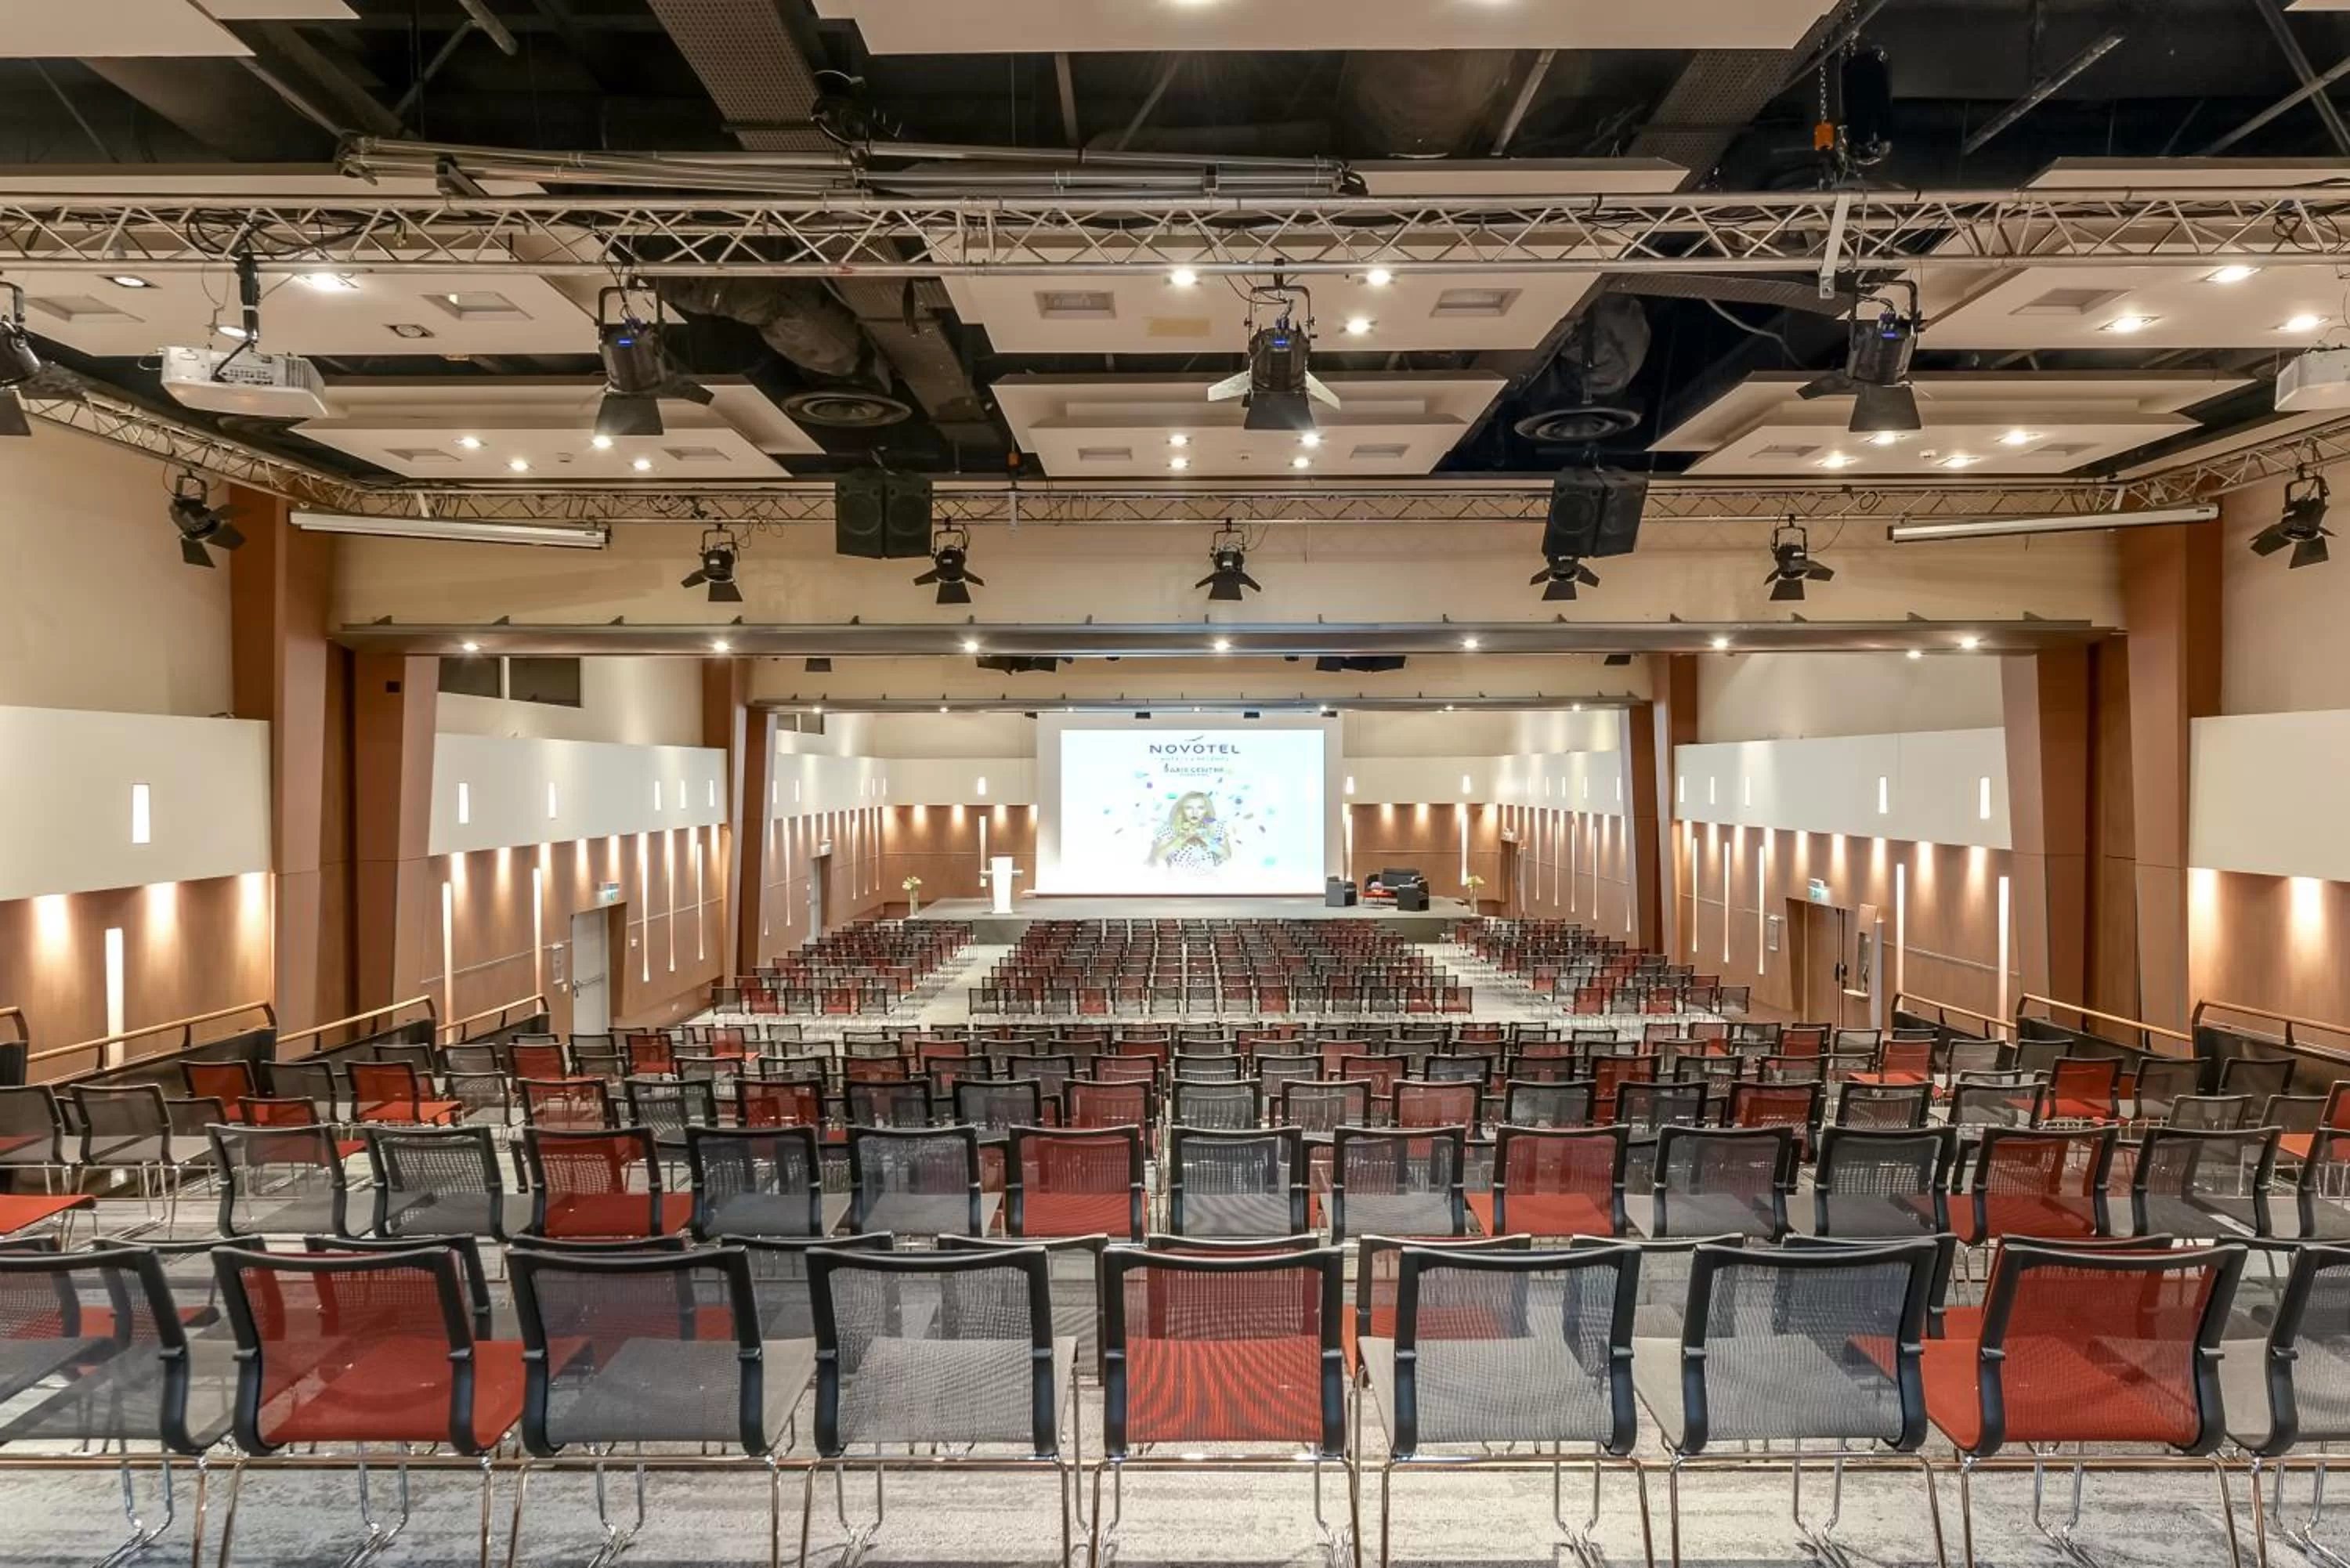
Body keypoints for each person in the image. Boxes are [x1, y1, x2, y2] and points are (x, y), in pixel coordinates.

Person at [1147, 790, 1233, 872]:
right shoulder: (1170, 828)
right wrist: (1182, 838)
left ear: (1206, 810)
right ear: (1182, 810)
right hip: (1178, 878)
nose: (1195, 812)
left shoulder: (1216, 827)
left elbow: (1227, 856)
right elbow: (1159, 856)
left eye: (1200, 808)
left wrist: (1206, 838)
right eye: (1189, 808)